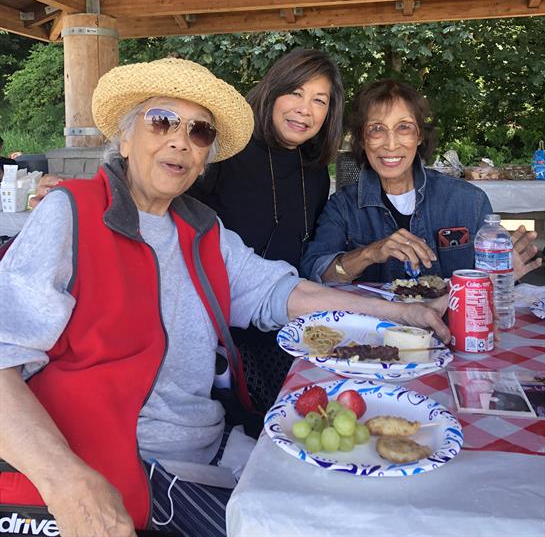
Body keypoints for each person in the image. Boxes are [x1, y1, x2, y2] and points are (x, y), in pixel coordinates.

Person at [0, 58, 450, 537]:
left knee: (362, 503)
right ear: (126, 139)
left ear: (205, 157)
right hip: (125, 464)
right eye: (162, 121)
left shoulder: (201, 229)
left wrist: (400, 312)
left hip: (208, 444)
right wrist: (65, 481)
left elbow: (282, 291)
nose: (180, 140)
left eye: (199, 132)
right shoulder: (71, 213)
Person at [190, 48, 344, 410]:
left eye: (319, 100)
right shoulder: (225, 152)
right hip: (221, 331)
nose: (305, 109)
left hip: (287, 324)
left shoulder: (315, 172)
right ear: (272, 92)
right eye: (295, 93)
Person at [300, 79, 542, 284]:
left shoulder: (469, 201)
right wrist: (369, 253)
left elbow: (489, 283)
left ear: (419, 136)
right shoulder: (343, 206)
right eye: (376, 129)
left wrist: (502, 278)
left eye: (404, 128)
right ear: (363, 140)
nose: (391, 144)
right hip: (376, 326)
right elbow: (318, 273)